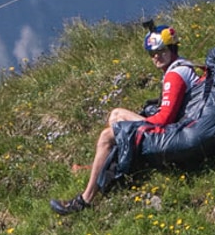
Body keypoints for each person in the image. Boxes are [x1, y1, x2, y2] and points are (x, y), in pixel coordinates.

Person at [51, 21, 202, 211]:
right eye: (152, 53)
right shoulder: (182, 68)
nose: (156, 57)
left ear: (172, 48)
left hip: (173, 131)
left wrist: (138, 123)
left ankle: (85, 199)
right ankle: (102, 167)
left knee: (109, 132)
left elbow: (164, 120)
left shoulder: (175, 75)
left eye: (161, 51)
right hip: (182, 125)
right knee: (117, 118)